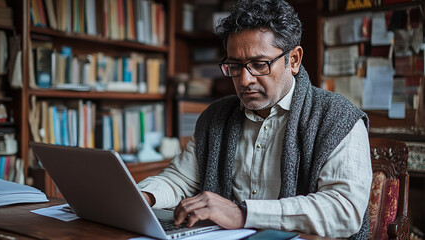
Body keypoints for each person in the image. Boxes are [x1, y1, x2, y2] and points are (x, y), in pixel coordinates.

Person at [139, 0, 372, 239]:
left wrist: (243, 213)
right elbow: (180, 180)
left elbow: (344, 210)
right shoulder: (215, 117)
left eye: (259, 64)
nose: (244, 80)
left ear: (293, 60)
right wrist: (143, 196)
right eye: (234, 66)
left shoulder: (337, 117)